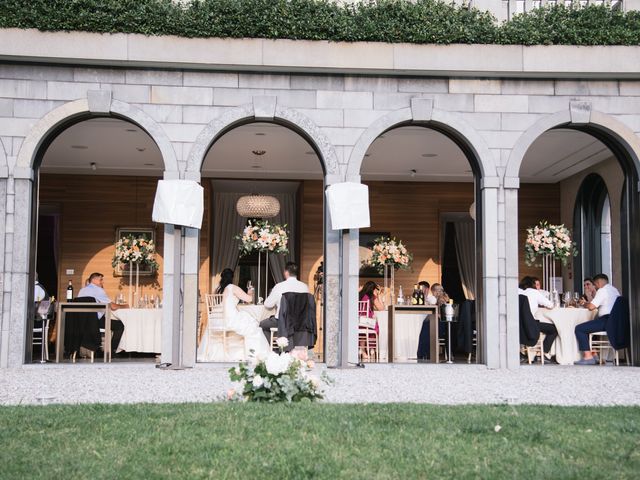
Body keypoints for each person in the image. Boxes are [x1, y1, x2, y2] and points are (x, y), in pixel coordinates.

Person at [218, 268, 269, 358]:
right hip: (231, 318)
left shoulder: (219, 289)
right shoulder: (232, 287)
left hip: (219, 318)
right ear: (232, 278)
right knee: (253, 327)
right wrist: (250, 292)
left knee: (248, 320)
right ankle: (254, 354)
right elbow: (249, 299)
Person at [575, 273, 621, 365]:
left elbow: (591, 307)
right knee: (590, 325)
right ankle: (594, 355)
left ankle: (588, 357)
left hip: (607, 320)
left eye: (595, 284)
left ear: (598, 282)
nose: (595, 287)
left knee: (579, 328)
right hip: (616, 321)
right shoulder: (614, 290)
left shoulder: (602, 290)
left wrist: (584, 304)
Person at [78, 272, 127, 354]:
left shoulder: (82, 290)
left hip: (82, 322)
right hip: (94, 321)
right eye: (100, 280)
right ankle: (112, 351)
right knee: (120, 325)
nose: (102, 282)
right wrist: (125, 306)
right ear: (93, 280)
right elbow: (113, 307)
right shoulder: (98, 290)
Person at [260, 262, 310, 343]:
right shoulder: (305, 287)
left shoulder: (279, 286)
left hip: (282, 321)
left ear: (286, 272)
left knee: (262, 325)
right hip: (300, 322)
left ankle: (275, 348)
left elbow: (268, 304)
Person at [519, 276, 558, 362]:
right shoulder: (534, 292)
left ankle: (521, 354)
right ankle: (542, 354)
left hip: (518, 325)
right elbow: (551, 305)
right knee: (554, 329)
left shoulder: (518, 292)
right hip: (530, 324)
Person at [416, 283, 450, 361]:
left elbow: (442, 315)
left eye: (440, 290)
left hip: (442, 326)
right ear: (433, 291)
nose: (438, 292)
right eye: (436, 290)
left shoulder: (443, 299)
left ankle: (423, 354)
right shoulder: (435, 299)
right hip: (438, 324)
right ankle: (424, 354)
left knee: (426, 327)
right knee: (425, 325)